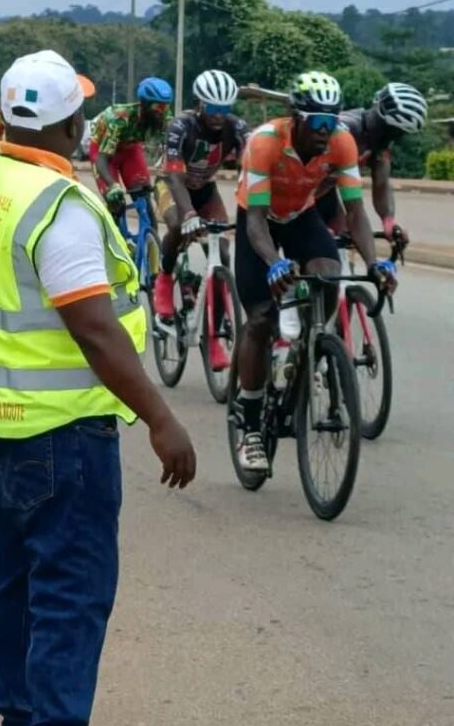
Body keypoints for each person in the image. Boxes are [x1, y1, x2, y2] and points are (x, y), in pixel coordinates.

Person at [0, 49, 196, 726]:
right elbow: (94, 327)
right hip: (63, 428)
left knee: (14, 573)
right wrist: (161, 418)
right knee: (71, 583)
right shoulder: (56, 207)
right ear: (69, 125)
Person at [234, 70, 397, 472]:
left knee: (327, 271)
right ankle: (250, 426)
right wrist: (274, 264)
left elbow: (355, 211)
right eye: (319, 121)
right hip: (258, 220)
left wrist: (375, 263)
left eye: (333, 120)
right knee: (259, 319)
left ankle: (310, 347)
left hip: (301, 215)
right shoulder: (265, 142)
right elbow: (256, 221)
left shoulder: (341, 142)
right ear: (297, 119)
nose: (327, 130)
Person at [153, 69, 247, 320]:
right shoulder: (180, 126)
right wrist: (189, 213)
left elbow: (249, 171)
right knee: (177, 225)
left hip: (205, 189)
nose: (219, 115)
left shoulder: (237, 128)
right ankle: (164, 278)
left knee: (223, 253)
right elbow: (175, 176)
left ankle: (214, 324)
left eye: (224, 109)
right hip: (171, 184)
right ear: (200, 104)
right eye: (213, 108)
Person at [315, 81, 427, 245]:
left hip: (323, 193)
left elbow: (381, 184)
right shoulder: (345, 128)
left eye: (397, 134)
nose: (390, 138)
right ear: (378, 113)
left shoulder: (380, 142)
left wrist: (388, 222)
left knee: (345, 234)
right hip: (294, 188)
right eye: (389, 130)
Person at [88, 77, 173, 217]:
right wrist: (113, 186)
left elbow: (171, 153)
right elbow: (102, 159)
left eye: (166, 107)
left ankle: (149, 230)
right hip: (103, 151)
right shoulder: (120, 118)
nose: (162, 112)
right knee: (115, 200)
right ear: (144, 104)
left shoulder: (165, 118)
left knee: (143, 195)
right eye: (158, 107)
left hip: (130, 149)